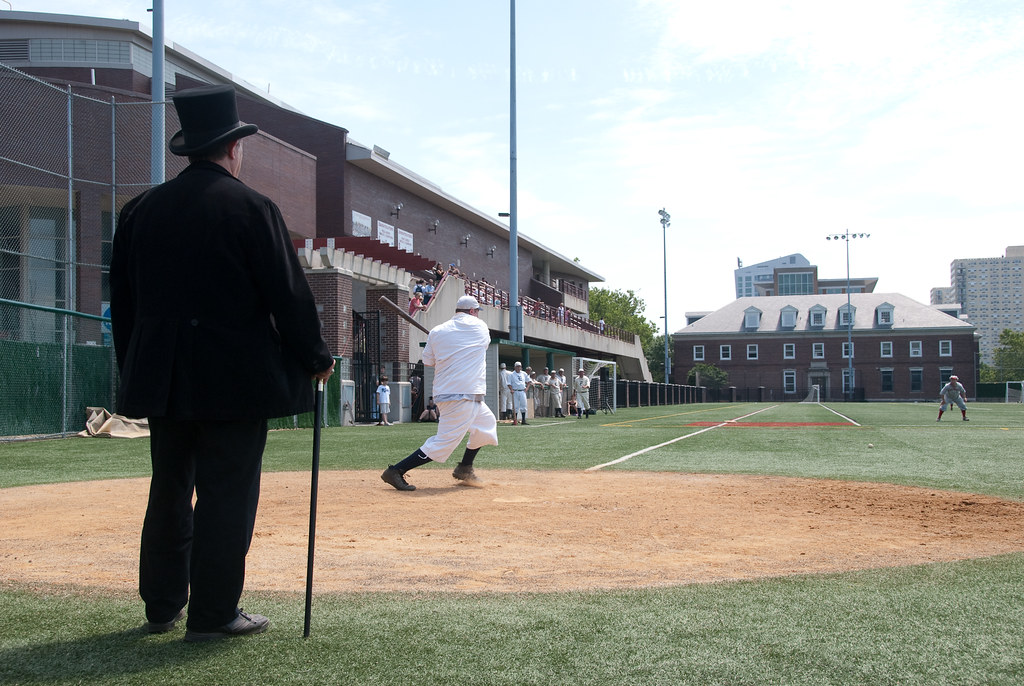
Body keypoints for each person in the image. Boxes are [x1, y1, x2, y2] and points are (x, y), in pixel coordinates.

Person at [110, 85, 335, 642]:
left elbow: (126, 302)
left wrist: (136, 367)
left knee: (169, 487)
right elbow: (287, 294)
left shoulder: (139, 210)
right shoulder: (252, 207)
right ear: (233, 149)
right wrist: (315, 355)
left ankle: (162, 604)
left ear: (191, 148)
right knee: (226, 493)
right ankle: (213, 613)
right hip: (235, 378)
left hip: (163, 376)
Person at [381, 295, 497, 490]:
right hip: (461, 395)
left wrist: (445, 347)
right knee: (444, 443)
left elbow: (429, 362)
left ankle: (465, 468)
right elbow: (479, 347)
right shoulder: (480, 328)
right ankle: (396, 471)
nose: (478, 315)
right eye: (477, 311)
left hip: (460, 394)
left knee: (486, 425)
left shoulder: (437, 331)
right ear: (471, 311)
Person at [508, 361, 530, 425]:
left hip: (522, 391)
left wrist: (527, 388)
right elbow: (509, 383)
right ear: (515, 367)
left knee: (524, 405)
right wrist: (511, 389)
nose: (518, 368)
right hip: (515, 391)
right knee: (515, 406)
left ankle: (523, 420)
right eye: (517, 366)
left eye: (519, 366)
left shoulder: (524, 374)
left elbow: (529, 381)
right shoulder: (511, 374)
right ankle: (515, 419)